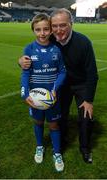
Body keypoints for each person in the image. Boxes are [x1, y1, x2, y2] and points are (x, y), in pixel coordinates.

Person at [19, 8, 98, 164]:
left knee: (85, 117)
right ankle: (60, 144)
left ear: (71, 24)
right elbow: (29, 62)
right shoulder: (50, 40)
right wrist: (20, 61)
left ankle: (85, 149)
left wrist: (88, 100)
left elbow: (92, 74)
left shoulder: (83, 42)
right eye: (54, 26)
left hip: (80, 83)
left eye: (63, 25)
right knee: (60, 116)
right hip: (62, 84)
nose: (58, 30)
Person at [20, 13, 66, 172]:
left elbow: (62, 72)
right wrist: (25, 94)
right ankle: (40, 146)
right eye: (38, 29)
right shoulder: (29, 49)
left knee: (53, 125)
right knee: (38, 122)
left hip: (52, 97)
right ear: (33, 30)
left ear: (51, 31)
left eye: (46, 29)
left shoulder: (56, 49)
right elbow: (25, 73)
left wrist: (54, 89)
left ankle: (57, 153)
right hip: (35, 98)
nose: (42, 33)